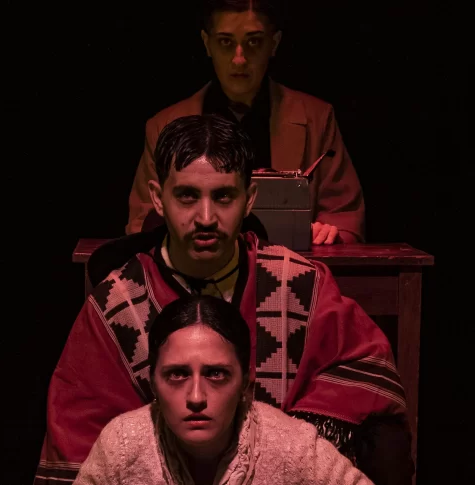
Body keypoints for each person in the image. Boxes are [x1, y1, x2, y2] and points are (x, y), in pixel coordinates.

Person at [35, 115, 412, 485]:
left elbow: (367, 380)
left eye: (223, 196)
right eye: (187, 195)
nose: (205, 217)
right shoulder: (116, 306)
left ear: (249, 199)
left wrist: (288, 447)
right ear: (158, 198)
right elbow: (78, 432)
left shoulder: (298, 284)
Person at [127, 0, 365, 245]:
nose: (239, 59)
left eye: (254, 42)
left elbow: (345, 218)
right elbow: (142, 226)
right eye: (226, 42)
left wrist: (327, 235)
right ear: (207, 43)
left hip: (289, 265)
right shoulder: (163, 125)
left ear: (274, 43)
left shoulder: (317, 118)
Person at [74, 294, 375, 485]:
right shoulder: (121, 446)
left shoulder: (291, 446)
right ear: (153, 382)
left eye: (216, 374)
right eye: (177, 374)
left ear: (245, 382)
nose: (196, 397)